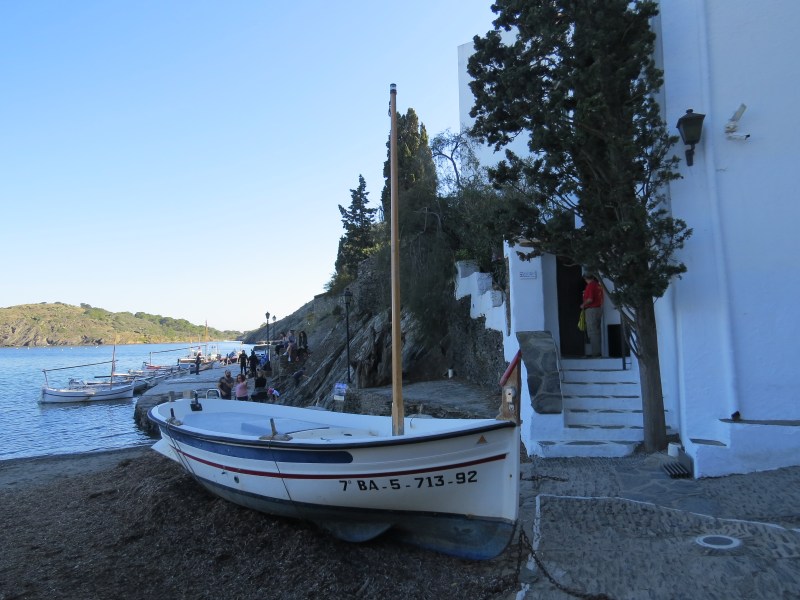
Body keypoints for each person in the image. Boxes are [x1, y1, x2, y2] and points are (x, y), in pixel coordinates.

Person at [580, 274, 604, 358]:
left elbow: (590, 299)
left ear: (585, 278)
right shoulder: (598, 285)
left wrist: (583, 305)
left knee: (592, 331)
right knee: (597, 331)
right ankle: (597, 352)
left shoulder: (590, 286)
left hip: (592, 310)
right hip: (598, 309)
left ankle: (596, 353)